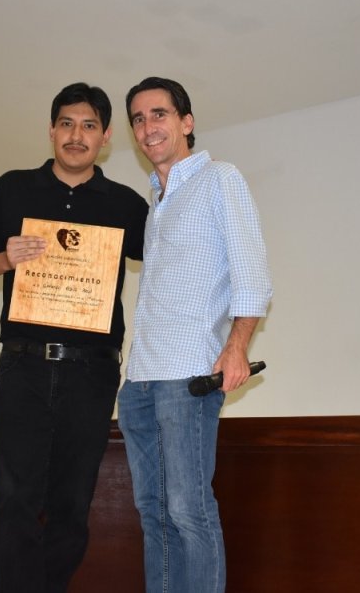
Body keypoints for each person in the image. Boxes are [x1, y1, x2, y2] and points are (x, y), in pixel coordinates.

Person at [0, 82, 149, 592]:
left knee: (72, 504)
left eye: (89, 126)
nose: (76, 135)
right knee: (15, 500)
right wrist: (6, 259)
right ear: (51, 130)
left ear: (106, 137)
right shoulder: (13, 188)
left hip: (92, 371)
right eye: (66, 123)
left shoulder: (126, 204)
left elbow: (168, 257)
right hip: (22, 366)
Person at [118, 77, 272, 592]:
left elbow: (252, 272)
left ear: (186, 123)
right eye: (138, 119)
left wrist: (237, 346)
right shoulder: (155, 203)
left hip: (188, 378)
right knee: (153, 514)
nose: (148, 127)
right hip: (138, 382)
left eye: (159, 114)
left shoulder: (219, 178)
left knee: (189, 510)